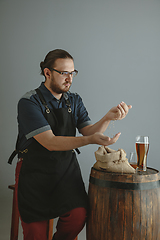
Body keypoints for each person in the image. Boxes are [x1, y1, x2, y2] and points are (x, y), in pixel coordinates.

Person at [9, 49, 132, 240]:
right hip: (34, 173)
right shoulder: (29, 102)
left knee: (77, 217)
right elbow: (49, 142)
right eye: (64, 73)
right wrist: (89, 140)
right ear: (47, 73)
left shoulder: (74, 100)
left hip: (65, 169)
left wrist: (108, 117)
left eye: (72, 73)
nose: (70, 78)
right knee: (36, 235)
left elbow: (88, 131)